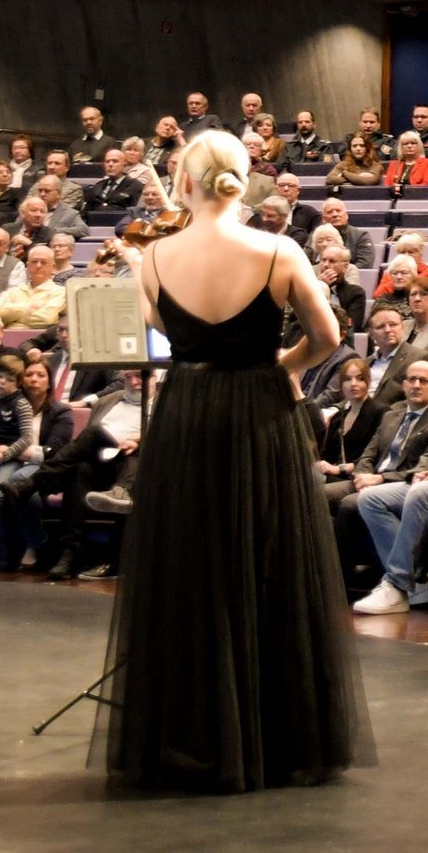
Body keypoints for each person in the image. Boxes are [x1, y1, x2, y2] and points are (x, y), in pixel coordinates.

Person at [107, 130, 362, 794]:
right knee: (267, 561)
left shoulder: (155, 256)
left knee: (191, 565)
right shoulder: (278, 249)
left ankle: (192, 733)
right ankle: (275, 737)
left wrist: (146, 260)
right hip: (260, 411)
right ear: (243, 179)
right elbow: (328, 335)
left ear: (184, 182)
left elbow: (155, 328)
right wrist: (283, 364)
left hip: (189, 410)